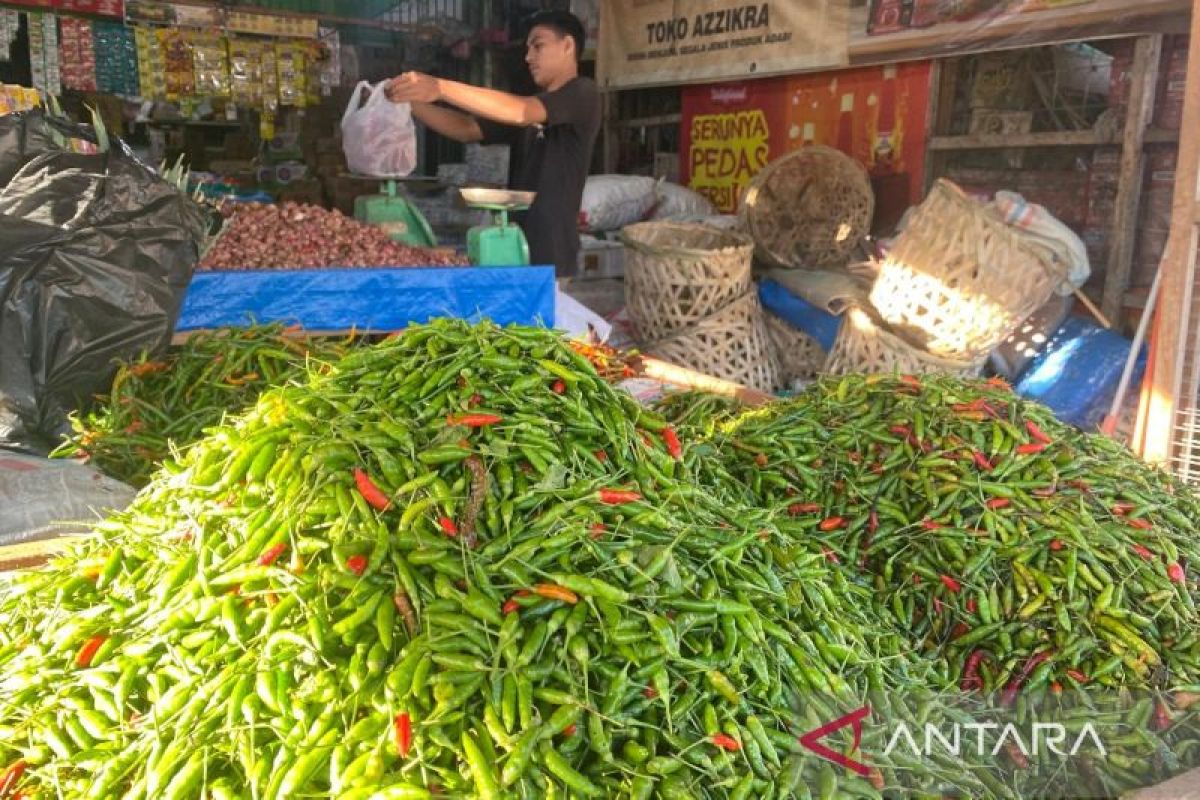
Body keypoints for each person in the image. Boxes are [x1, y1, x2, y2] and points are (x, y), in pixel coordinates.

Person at [385, 10, 600, 276]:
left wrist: (440, 88)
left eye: (538, 46)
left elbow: (521, 111)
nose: (528, 57)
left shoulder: (583, 93)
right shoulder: (532, 106)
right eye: (528, 48)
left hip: (551, 256)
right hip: (516, 246)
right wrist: (407, 101)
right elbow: (466, 128)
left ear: (567, 45)